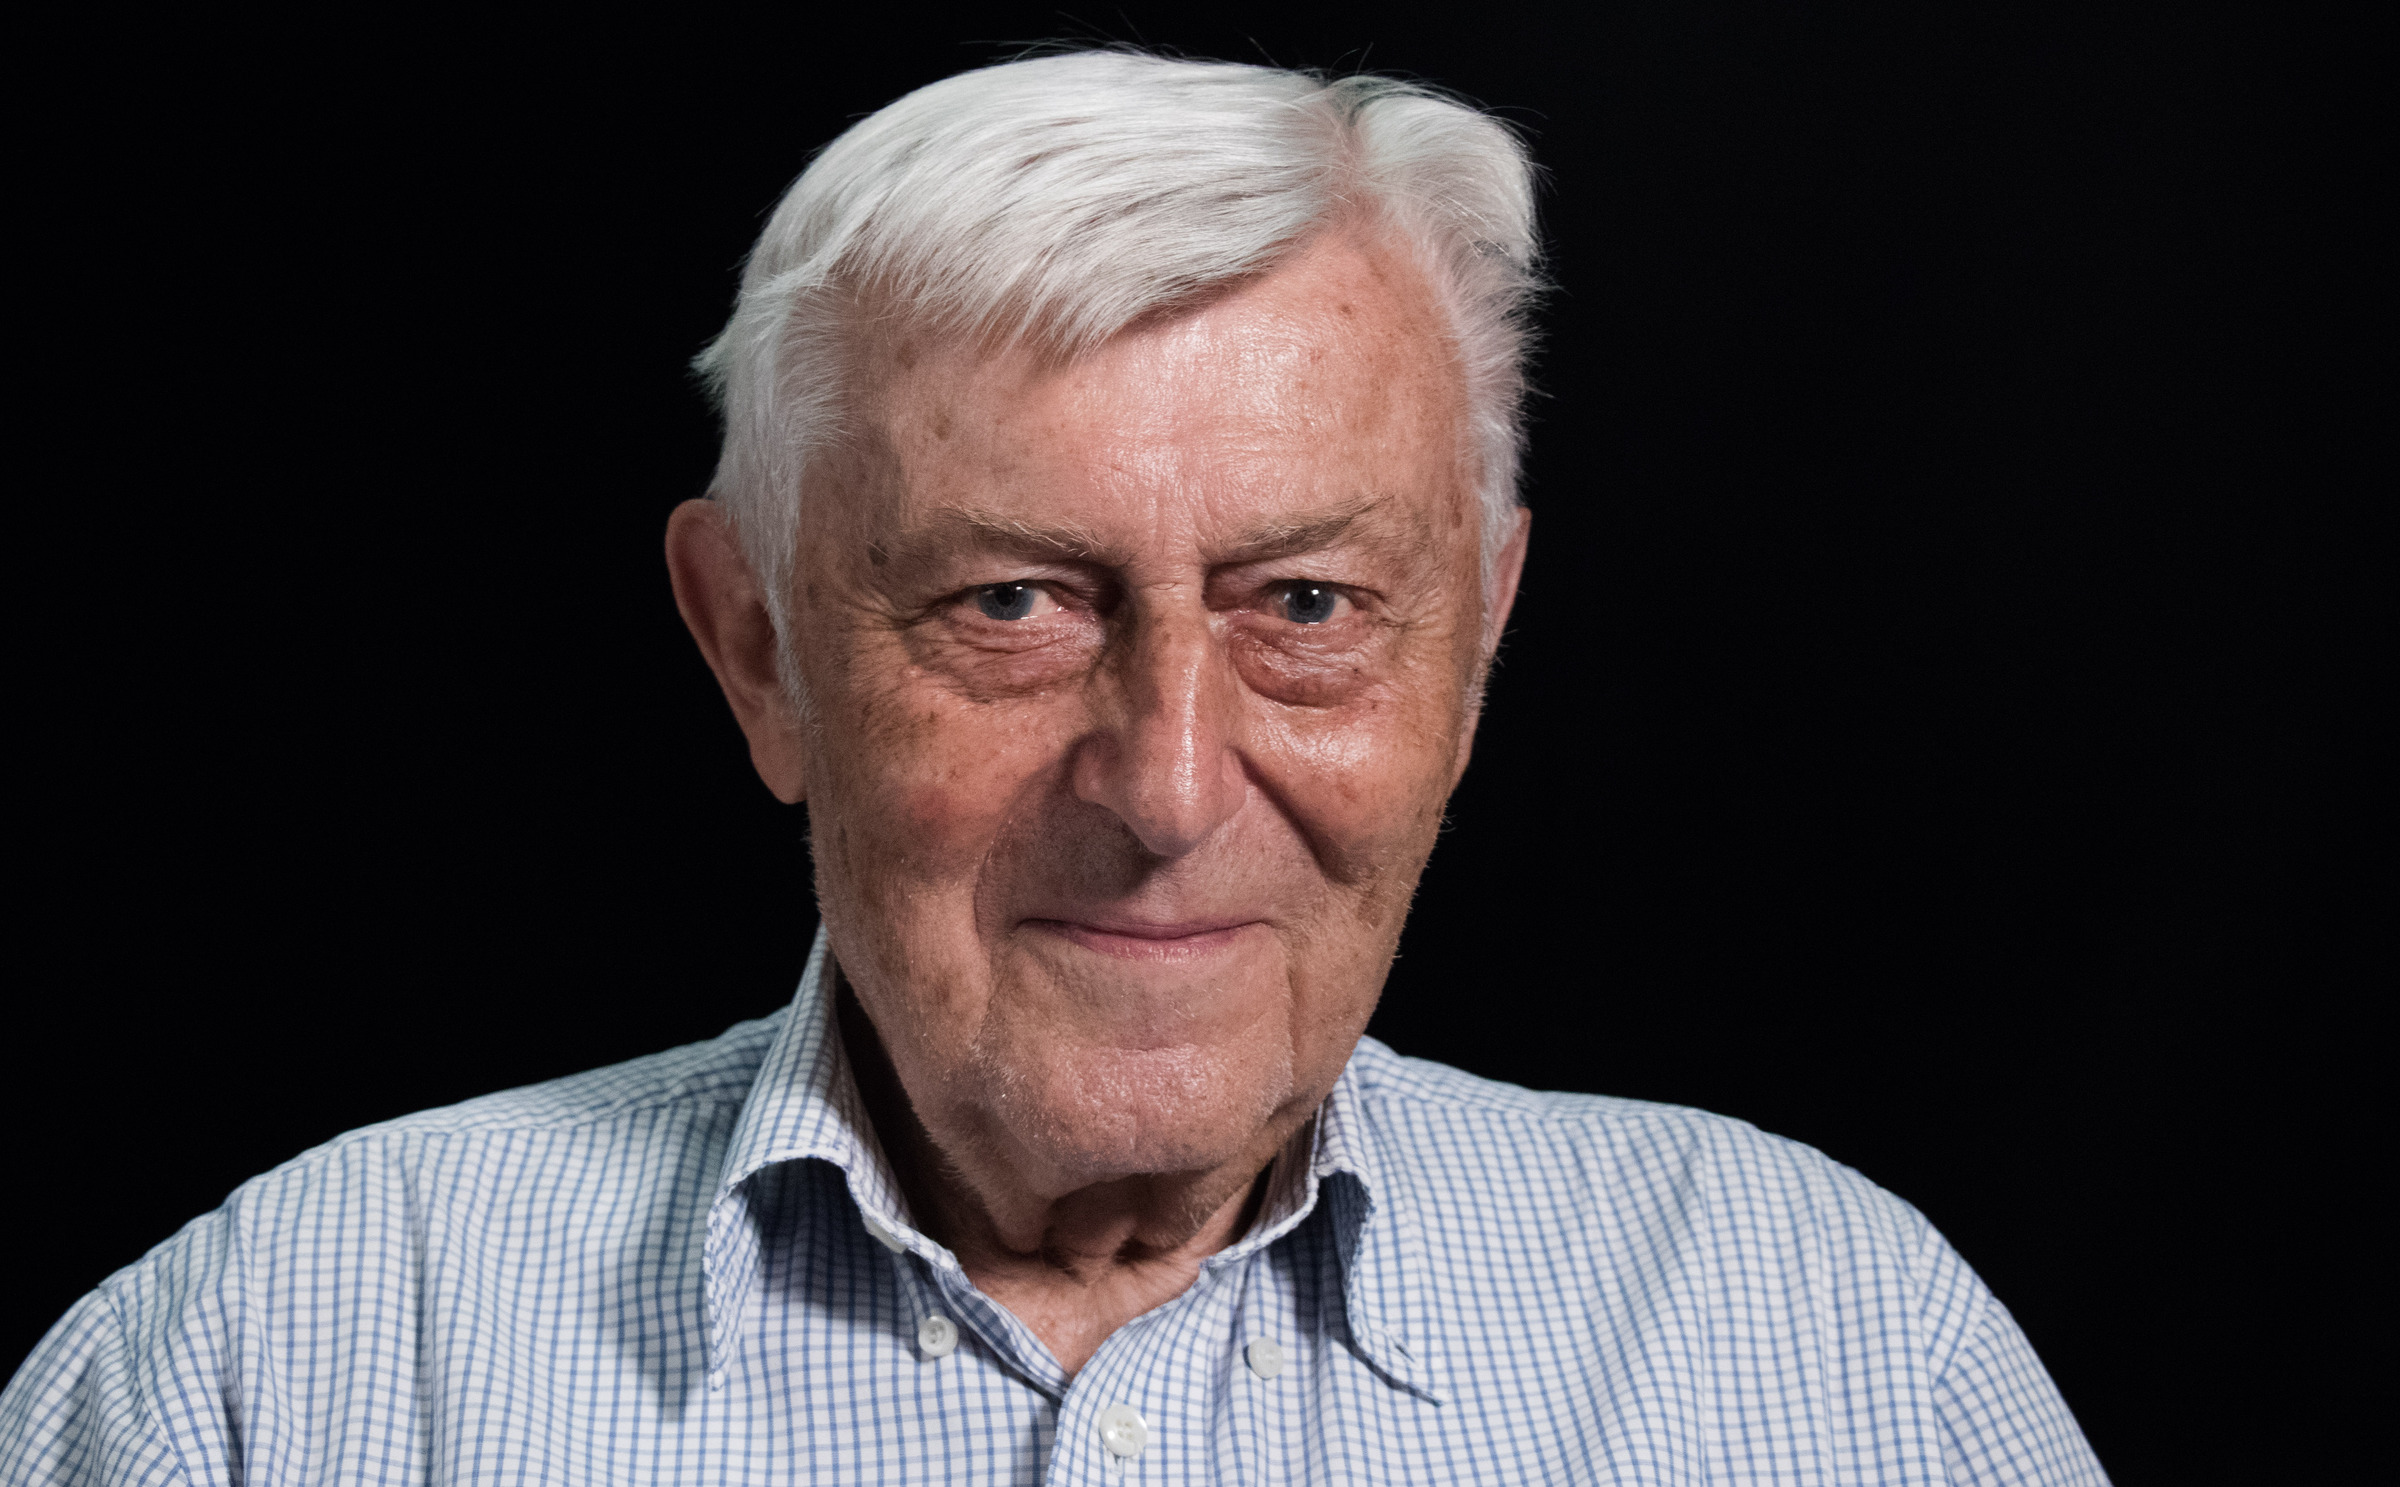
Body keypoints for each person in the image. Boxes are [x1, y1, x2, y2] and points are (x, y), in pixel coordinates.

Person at [1, 50, 2106, 1484]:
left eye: (1306, 604)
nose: (1168, 787)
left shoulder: (1839, 1354)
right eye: (1011, 603)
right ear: (757, 650)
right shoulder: (266, 1379)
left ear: (1477, 645)